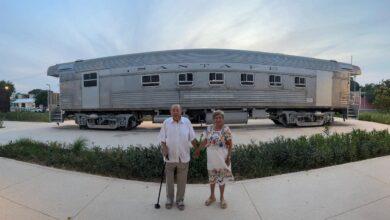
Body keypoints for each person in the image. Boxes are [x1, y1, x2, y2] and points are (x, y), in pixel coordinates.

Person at [158, 104, 196, 211]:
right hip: (169, 157)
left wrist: (198, 149)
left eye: (177, 110)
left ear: (181, 111)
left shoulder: (187, 122)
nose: (175, 112)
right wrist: (164, 148)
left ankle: (180, 200)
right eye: (173, 110)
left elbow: (192, 138)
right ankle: (169, 199)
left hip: (183, 157)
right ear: (170, 112)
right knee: (169, 181)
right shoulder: (166, 122)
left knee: (182, 181)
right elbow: (162, 138)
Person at [196, 110, 234, 209]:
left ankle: (222, 198)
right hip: (211, 158)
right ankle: (212, 196)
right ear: (213, 119)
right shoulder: (209, 129)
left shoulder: (226, 130)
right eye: (216, 118)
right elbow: (205, 141)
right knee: (212, 178)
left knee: (221, 179)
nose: (218, 119)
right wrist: (198, 150)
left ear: (223, 119)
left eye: (220, 117)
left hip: (222, 158)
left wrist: (229, 157)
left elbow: (230, 145)